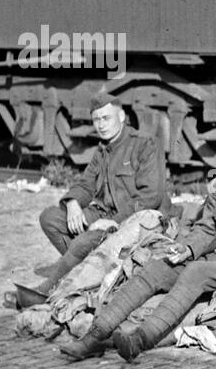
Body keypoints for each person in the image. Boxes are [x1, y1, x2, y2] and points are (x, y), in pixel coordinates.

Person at [58, 125, 216, 362]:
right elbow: (207, 227)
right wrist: (187, 248)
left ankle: (140, 341)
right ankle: (94, 337)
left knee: (197, 272)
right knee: (157, 266)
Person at [33, 91, 169, 293]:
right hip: (106, 214)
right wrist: (72, 203)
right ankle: (87, 270)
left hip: (138, 219)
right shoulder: (104, 149)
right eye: (96, 120)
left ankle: (46, 290)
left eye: (106, 118)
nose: (101, 125)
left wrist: (115, 221)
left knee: (83, 242)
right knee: (50, 218)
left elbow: (151, 196)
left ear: (121, 117)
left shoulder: (143, 143)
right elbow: (86, 183)